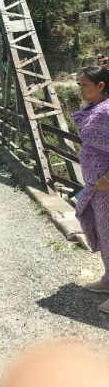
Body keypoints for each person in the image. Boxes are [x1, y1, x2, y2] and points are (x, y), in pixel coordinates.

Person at [70, 66, 109, 313]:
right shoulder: (91, 110)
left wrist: (107, 179)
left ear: (100, 85)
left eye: (85, 84)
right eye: (79, 84)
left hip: (106, 185)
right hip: (97, 188)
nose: (81, 89)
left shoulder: (107, 112)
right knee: (106, 234)